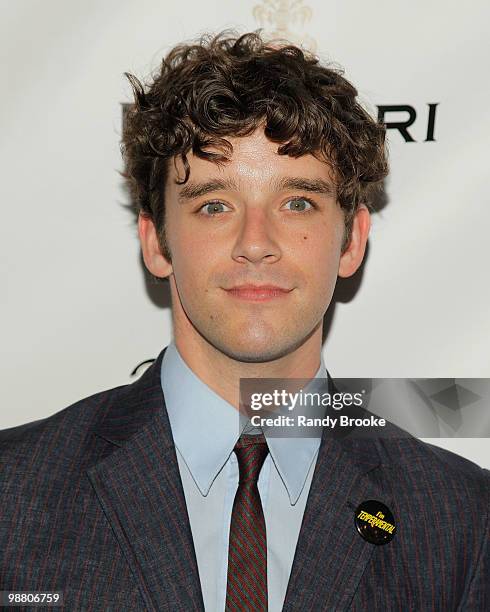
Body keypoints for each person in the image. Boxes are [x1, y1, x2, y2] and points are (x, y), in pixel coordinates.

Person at [0, 31, 488, 612]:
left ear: (352, 241)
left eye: (297, 203)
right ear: (156, 243)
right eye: (214, 205)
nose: (255, 244)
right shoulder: (13, 494)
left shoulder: (462, 520)